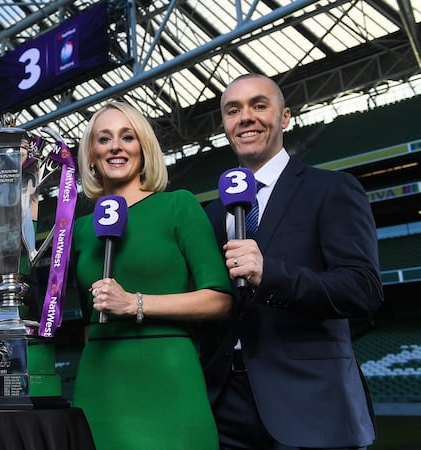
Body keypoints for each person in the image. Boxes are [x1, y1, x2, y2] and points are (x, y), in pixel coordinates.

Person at [200, 73, 383, 449]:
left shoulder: (331, 189)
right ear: (225, 126)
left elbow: (363, 289)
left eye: (259, 105)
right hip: (223, 409)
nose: (246, 117)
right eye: (233, 110)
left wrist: (269, 274)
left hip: (312, 405)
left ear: (285, 117)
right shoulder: (211, 213)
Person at [71, 101, 232, 449]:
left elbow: (219, 299)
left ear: (143, 148)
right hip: (99, 380)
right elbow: (86, 318)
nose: (116, 146)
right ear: (91, 156)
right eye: (104, 139)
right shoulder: (79, 229)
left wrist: (135, 303)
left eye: (127, 136)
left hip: (169, 376)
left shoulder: (178, 206)